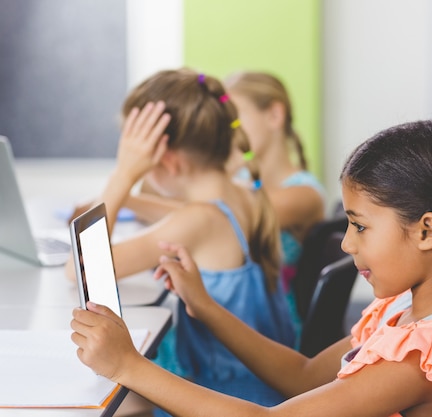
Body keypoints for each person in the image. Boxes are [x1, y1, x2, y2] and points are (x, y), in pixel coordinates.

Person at [71, 120, 432, 417]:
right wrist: (206, 307)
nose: (347, 243)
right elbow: (305, 376)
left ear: (427, 231)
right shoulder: (406, 313)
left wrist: (129, 365)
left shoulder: (419, 357)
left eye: (360, 226)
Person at [66, 68, 296, 408]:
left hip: (226, 400)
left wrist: (124, 174)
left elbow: (80, 269)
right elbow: (183, 214)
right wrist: (127, 193)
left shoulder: (197, 220)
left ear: (168, 160)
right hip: (261, 388)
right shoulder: (245, 195)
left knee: (102, 400)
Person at [224, 71, 326, 294]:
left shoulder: (305, 193)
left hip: (270, 321)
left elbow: (224, 215)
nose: (227, 130)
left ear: (274, 116)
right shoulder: (239, 181)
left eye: (234, 118)